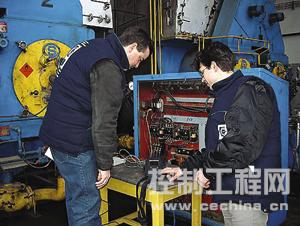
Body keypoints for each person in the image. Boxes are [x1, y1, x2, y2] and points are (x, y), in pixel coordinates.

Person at [39, 27, 153, 226]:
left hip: (60, 137)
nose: (137, 65)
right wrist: (104, 164)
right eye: (140, 59)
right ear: (133, 46)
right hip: (76, 144)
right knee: (85, 208)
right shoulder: (107, 65)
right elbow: (104, 121)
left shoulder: (92, 47)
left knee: (77, 201)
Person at [162, 42, 283, 226]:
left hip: (248, 194)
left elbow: (239, 145)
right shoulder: (224, 96)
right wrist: (185, 168)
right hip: (229, 191)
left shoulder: (251, 89)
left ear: (214, 66)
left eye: (202, 72)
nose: (203, 79)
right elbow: (216, 148)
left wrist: (207, 172)